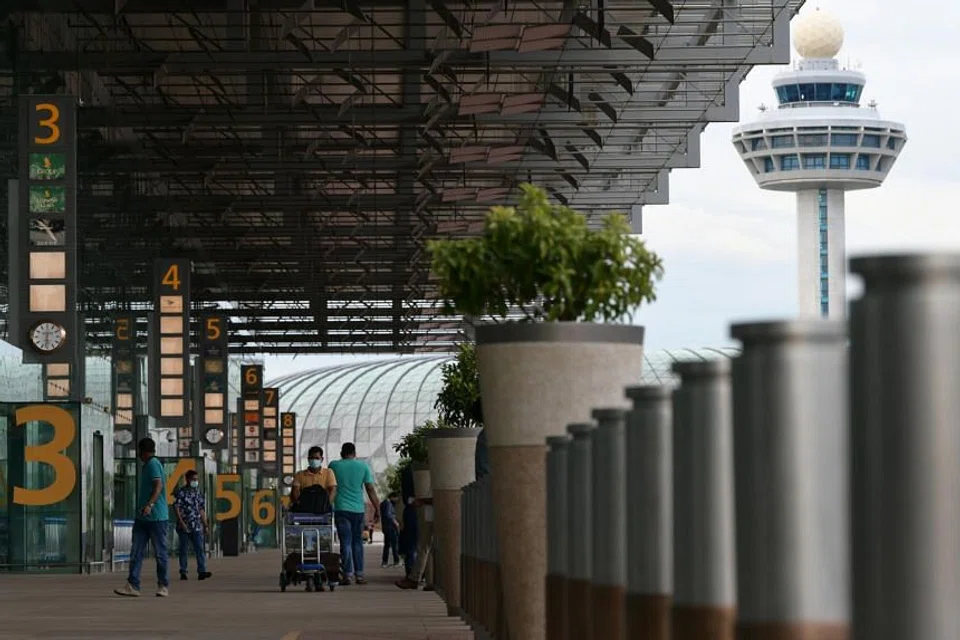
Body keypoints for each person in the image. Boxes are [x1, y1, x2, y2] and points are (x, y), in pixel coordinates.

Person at [115, 437, 170, 597]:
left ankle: (163, 585)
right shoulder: (148, 465)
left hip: (156, 518)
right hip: (143, 518)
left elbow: (158, 486)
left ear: (143, 451)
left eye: (139, 451)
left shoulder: (153, 464)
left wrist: (149, 504)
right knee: (136, 552)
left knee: (160, 553)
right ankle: (133, 585)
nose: (138, 455)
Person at [328, 443, 380, 585]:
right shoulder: (363, 466)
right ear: (354, 453)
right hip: (358, 510)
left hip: (341, 509)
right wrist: (377, 508)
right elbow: (370, 489)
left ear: (341, 453)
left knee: (345, 542)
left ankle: (347, 575)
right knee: (357, 542)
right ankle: (360, 575)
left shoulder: (334, 465)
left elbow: (330, 487)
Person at [173, 469, 212, 581]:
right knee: (184, 549)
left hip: (197, 525)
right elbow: (176, 507)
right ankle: (183, 571)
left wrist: (205, 525)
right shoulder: (181, 492)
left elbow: (201, 509)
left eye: (196, 479)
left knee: (199, 548)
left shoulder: (198, 492)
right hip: (184, 526)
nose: (195, 481)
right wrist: (181, 522)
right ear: (188, 479)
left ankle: (202, 571)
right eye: (193, 479)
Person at [291, 446, 337, 511]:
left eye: (317, 458)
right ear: (308, 459)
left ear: (322, 459)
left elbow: (333, 490)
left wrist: (326, 506)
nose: (314, 460)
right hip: (305, 509)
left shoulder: (328, 472)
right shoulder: (299, 474)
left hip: (322, 508)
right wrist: (300, 505)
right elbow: (295, 491)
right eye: (312, 458)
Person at [380, 492, 401, 567]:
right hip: (391, 527)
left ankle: (384, 562)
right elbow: (388, 514)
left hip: (386, 527)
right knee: (394, 545)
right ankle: (396, 561)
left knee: (387, 545)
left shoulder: (383, 503)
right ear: (392, 497)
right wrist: (395, 522)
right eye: (396, 498)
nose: (397, 500)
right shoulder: (388, 503)